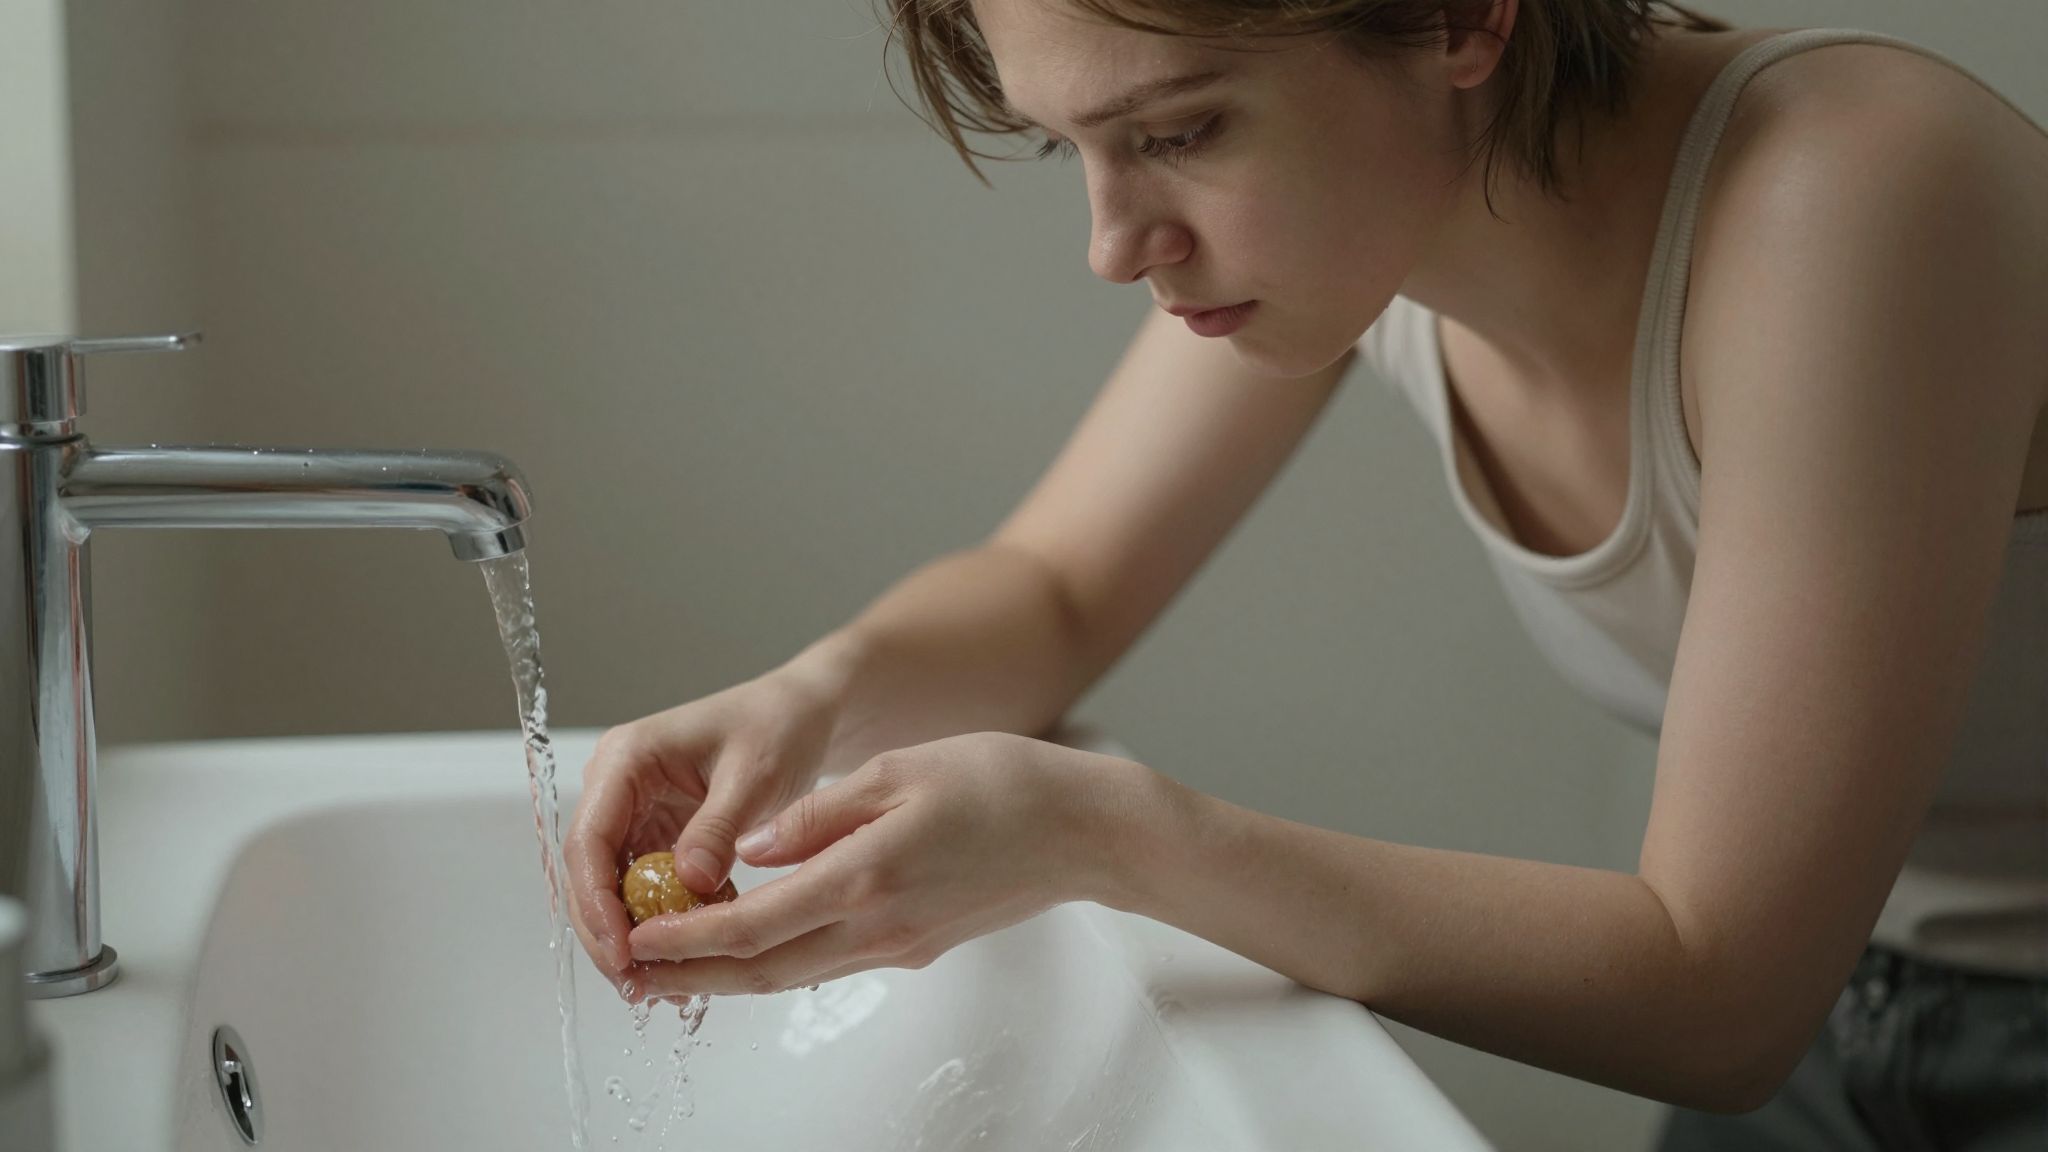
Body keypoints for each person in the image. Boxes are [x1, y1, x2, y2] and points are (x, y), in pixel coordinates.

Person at [565, 1, 2048, 1146]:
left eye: (1186, 131)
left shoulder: (1853, 192)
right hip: (1851, 1023)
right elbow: (1054, 591)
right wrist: (811, 700)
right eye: (1066, 145)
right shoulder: (1371, 226)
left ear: (1464, 16)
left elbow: (1722, 994)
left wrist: (1112, 837)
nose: (1111, 243)